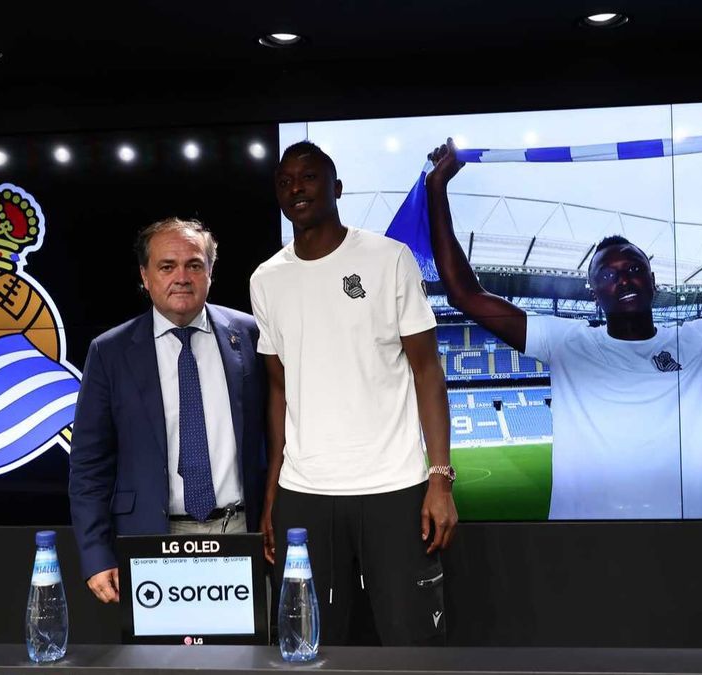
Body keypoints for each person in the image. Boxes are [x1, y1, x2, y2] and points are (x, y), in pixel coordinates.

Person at [425, 112, 702, 519]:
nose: (624, 279)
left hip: (684, 548)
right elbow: (465, 293)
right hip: (581, 547)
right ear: (593, 294)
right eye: (608, 274)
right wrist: (436, 190)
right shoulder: (564, 342)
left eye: (634, 269)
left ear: (654, 282)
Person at [250, 141, 456, 645]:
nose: (296, 188)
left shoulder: (389, 259)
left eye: (309, 177)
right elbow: (279, 390)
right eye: (285, 181)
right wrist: (273, 492)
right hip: (305, 493)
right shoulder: (266, 280)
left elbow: (428, 371)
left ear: (337, 188)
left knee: (413, 645)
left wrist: (440, 479)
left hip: (393, 488)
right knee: (310, 646)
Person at [69, 217, 266, 603]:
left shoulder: (250, 335)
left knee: (246, 644)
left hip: (240, 530)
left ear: (210, 272)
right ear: (145, 276)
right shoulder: (109, 352)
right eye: (166, 266)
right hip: (151, 538)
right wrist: (95, 554)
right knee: (166, 645)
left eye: (194, 265)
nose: (182, 277)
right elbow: (89, 466)